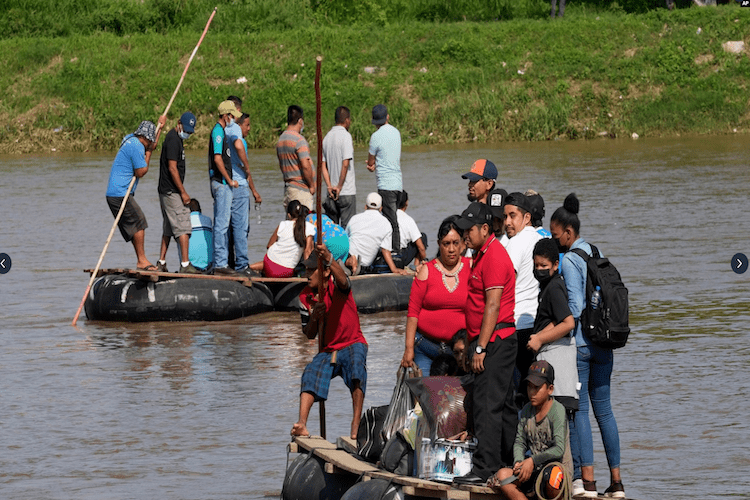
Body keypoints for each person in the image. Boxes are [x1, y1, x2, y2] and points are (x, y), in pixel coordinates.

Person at [550, 193, 624, 499]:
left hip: (580, 345)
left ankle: (588, 483)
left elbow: (577, 307)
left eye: (556, 235)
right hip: (604, 345)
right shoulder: (596, 250)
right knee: (604, 412)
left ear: (568, 233)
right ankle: (617, 483)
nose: (555, 241)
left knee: (579, 412)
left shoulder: (568, 259)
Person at [452, 202, 517, 486]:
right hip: (492, 338)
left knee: (487, 405)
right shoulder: (481, 253)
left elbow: (492, 305)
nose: (465, 234)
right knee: (497, 403)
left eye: (469, 229)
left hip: (496, 339)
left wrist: (480, 347)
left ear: (485, 229)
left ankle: (484, 468)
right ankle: (502, 462)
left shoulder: (493, 257)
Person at [291, 244, 368, 440]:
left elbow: (345, 281)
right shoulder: (304, 297)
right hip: (328, 349)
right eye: (305, 270)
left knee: (356, 369)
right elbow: (308, 334)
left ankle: (355, 423)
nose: (307, 275)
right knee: (310, 372)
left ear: (325, 272)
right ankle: (302, 423)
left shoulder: (337, 285)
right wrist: (315, 317)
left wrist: (329, 258)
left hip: (352, 341)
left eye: (311, 270)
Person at [488, 361, 571, 500]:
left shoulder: (558, 411)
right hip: (533, 468)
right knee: (502, 475)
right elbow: (520, 442)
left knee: (552, 476)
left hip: (556, 469)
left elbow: (559, 449)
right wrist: (519, 462)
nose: (532, 392)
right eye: (529, 387)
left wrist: (532, 460)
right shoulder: (527, 410)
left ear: (550, 389)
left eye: (537, 388)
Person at [401, 216, 469, 375]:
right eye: (446, 244)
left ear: (463, 244)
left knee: (460, 395)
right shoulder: (426, 270)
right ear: (439, 244)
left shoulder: (472, 267)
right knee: (425, 393)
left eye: (455, 243)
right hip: (425, 347)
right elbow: (412, 313)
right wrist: (408, 349)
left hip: (459, 350)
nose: (451, 249)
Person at [105, 116, 166, 271]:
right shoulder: (137, 147)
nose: (150, 143)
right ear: (144, 138)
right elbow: (141, 171)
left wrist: (161, 128)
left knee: (135, 225)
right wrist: (149, 154)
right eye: (149, 140)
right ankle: (142, 260)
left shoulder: (130, 139)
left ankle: (141, 259)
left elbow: (151, 146)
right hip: (120, 193)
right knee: (139, 221)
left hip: (116, 193)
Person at [528, 238, 577, 413]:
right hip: (548, 355)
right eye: (536, 266)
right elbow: (556, 320)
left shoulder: (554, 287)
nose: (539, 270)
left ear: (556, 265)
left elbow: (568, 322)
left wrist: (540, 338)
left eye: (543, 266)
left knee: (558, 417)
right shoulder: (547, 286)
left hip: (557, 357)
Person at [502, 192, 543, 383]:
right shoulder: (539, 239)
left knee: (514, 389)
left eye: (512, 216)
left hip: (516, 325)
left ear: (526, 217)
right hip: (535, 325)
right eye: (505, 216)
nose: (507, 222)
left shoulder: (516, 242)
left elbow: (505, 284)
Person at [155, 112, 200, 274]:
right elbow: (172, 168)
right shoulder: (173, 139)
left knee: (168, 227)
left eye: (189, 132)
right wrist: (183, 192)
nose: (186, 133)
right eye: (185, 129)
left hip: (167, 190)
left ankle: (161, 262)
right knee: (183, 225)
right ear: (179, 123)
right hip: (171, 190)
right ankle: (185, 264)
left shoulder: (176, 138)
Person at [226, 111, 262, 275]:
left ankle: (229, 262)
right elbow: (246, 173)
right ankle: (242, 265)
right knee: (241, 228)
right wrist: (254, 191)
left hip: (228, 185)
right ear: (239, 125)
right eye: (247, 125)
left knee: (229, 228)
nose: (249, 128)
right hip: (239, 186)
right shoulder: (239, 140)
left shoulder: (223, 134)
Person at [209, 100, 242, 275]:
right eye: (232, 116)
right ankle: (220, 264)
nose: (233, 120)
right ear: (226, 116)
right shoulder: (218, 132)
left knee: (223, 224)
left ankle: (221, 262)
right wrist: (229, 180)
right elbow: (217, 158)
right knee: (221, 225)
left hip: (223, 183)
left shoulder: (221, 131)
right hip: (221, 184)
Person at [366, 104, 402, 251]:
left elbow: (370, 162)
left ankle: (395, 253)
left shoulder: (375, 137)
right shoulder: (396, 132)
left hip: (385, 186)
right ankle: (393, 251)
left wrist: (370, 166)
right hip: (398, 184)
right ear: (387, 117)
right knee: (393, 219)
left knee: (390, 222)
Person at [344, 193, 407, 275]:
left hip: (348, 254)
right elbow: (385, 250)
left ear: (365, 206)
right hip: (364, 265)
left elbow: (345, 239)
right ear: (381, 208)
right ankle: (354, 264)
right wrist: (394, 269)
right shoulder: (386, 223)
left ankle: (349, 261)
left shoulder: (354, 218)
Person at [249, 200, 315, 278]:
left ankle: (248, 268)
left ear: (289, 215)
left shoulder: (282, 224)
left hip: (269, 264)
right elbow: (307, 251)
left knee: (272, 261)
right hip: (286, 271)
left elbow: (269, 245)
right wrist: (309, 272)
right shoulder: (309, 227)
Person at [321, 106, 356, 228]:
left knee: (332, 231)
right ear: (346, 120)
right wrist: (339, 186)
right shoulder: (346, 136)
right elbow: (345, 163)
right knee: (348, 230)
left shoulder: (326, 138)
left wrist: (329, 186)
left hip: (330, 194)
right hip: (346, 191)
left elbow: (323, 166)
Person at [277, 105, 315, 210]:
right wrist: (312, 185)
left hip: (289, 188)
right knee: (304, 223)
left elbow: (281, 165)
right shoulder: (299, 140)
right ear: (300, 121)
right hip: (301, 190)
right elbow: (305, 165)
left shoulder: (281, 140)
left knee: (291, 223)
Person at [395, 191, 427, 269]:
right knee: (422, 237)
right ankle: (416, 265)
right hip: (401, 258)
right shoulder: (408, 219)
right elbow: (421, 247)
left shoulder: (388, 216)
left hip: (387, 256)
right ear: (406, 203)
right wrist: (425, 259)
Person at [185, 199, 213, 272]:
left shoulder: (185, 221)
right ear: (200, 210)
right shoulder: (208, 220)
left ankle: (185, 265)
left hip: (192, 266)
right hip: (209, 265)